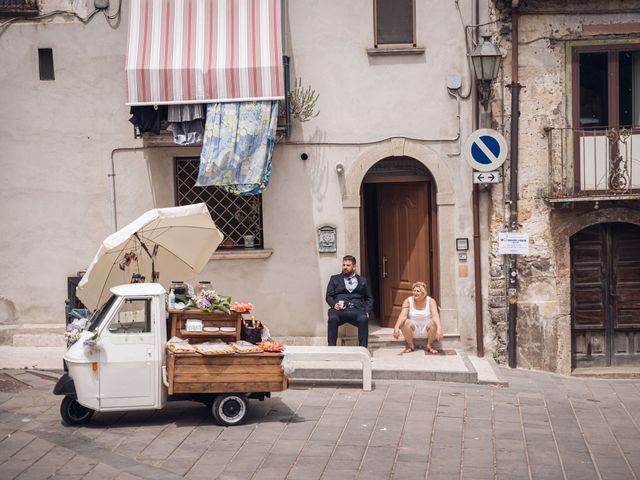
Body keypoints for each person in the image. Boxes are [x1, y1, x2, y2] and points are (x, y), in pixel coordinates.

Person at [326, 255, 373, 347]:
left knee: (363, 319)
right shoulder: (334, 279)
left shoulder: (362, 280)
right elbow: (329, 296)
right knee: (332, 318)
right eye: (344, 265)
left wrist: (367, 311)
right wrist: (334, 304)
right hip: (339, 310)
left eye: (348, 265)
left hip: (357, 309)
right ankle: (331, 349)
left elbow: (369, 298)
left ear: (354, 267)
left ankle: (363, 349)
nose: (345, 268)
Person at [392, 281, 443, 354]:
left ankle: (430, 345)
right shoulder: (408, 301)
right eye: (414, 291)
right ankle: (410, 345)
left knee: (434, 322)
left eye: (418, 291)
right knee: (405, 322)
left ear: (423, 293)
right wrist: (396, 327)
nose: (415, 293)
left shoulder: (431, 301)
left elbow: (435, 315)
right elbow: (403, 315)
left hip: (427, 330)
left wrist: (439, 329)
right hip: (413, 330)